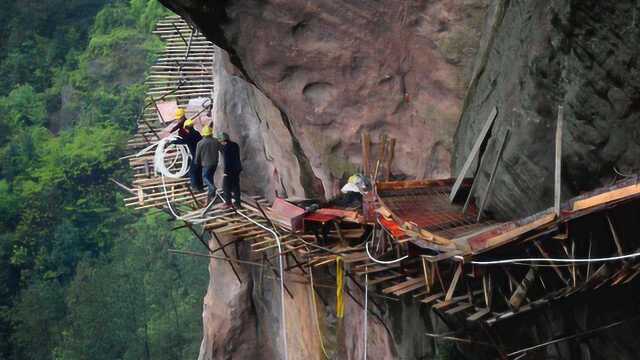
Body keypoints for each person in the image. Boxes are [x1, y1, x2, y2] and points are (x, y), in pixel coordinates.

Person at [170, 118, 203, 191]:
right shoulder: (197, 133)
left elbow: (184, 141)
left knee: (192, 172)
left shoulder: (190, 136)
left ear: (186, 128)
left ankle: (195, 187)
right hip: (201, 155)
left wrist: (173, 142)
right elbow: (185, 140)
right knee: (198, 171)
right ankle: (200, 187)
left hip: (196, 156)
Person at [194, 125, 220, 204]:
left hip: (206, 164)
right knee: (210, 179)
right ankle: (211, 198)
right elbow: (221, 149)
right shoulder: (216, 141)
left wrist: (196, 162)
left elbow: (197, 155)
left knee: (205, 177)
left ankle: (212, 188)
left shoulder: (200, 143)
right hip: (215, 163)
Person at [218, 132, 242, 208]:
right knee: (236, 186)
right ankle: (237, 203)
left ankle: (228, 202)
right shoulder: (235, 145)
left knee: (225, 186)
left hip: (230, 170)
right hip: (237, 168)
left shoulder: (225, 148)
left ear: (222, 141)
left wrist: (225, 172)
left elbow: (227, 161)